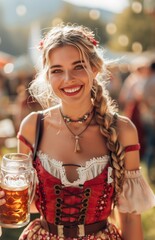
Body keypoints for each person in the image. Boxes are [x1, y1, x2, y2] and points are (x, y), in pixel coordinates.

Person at [0, 24, 155, 240]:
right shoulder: (33, 127)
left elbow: (129, 218)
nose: (67, 78)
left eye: (78, 66)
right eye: (56, 70)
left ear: (95, 68)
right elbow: (31, 205)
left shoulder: (122, 130)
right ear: (47, 76)